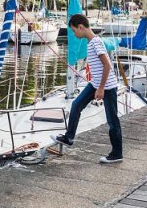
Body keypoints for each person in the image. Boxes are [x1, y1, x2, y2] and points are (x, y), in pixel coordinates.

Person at [52, 13, 123, 163]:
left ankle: (117, 154)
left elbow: (107, 65)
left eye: (74, 31)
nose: (74, 34)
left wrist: (101, 88)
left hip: (107, 86)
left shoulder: (96, 42)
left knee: (112, 121)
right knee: (76, 105)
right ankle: (69, 137)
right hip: (95, 83)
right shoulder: (91, 42)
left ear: (81, 27)